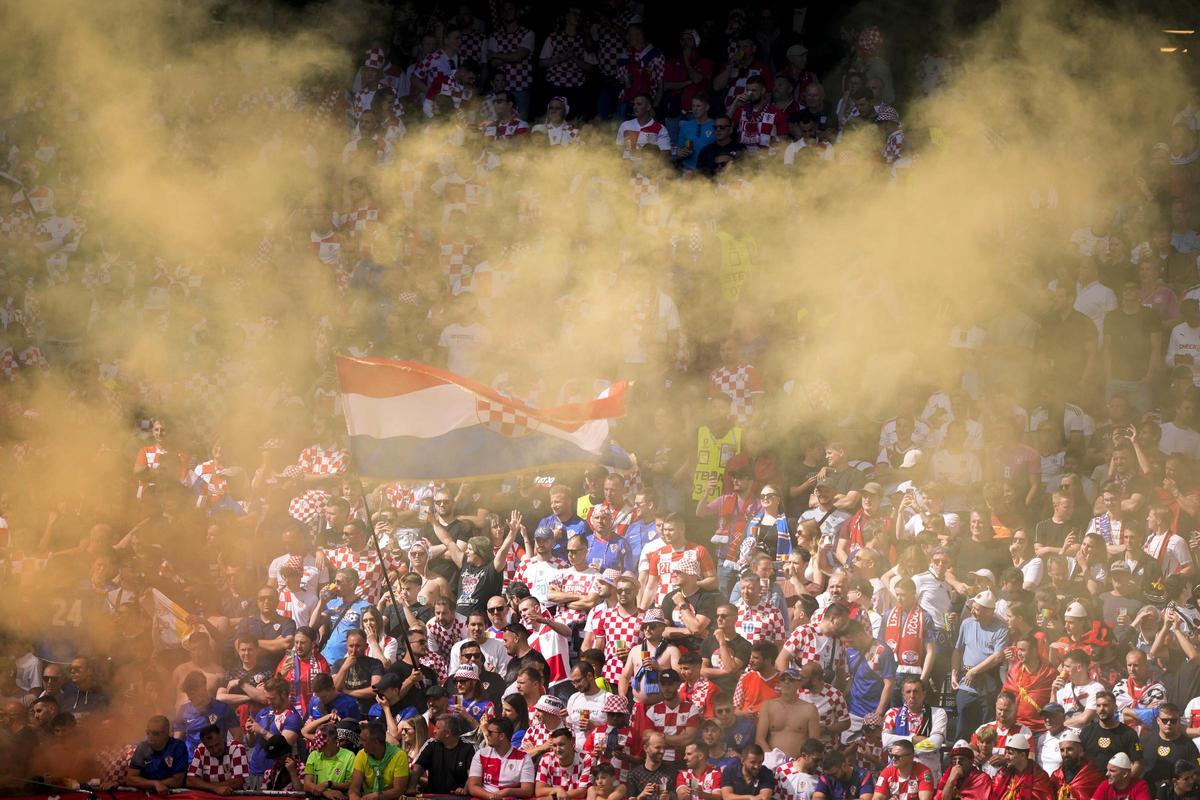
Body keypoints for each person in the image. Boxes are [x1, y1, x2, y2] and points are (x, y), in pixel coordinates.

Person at [951, 591, 1008, 738]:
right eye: (973, 608)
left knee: (986, 730)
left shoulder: (1001, 628)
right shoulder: (967, 623)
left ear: (989, 611)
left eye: (977, 609)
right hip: (966, 683)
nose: (972, 612)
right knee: (963, 726)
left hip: (988, 684)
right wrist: (954, 673)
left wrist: (974, 671)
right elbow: (958, 650)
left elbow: (997, 656)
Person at [755, 667, 821, 760]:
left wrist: (801, 762)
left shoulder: (810, 709)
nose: (786, 682)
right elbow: (760, 739)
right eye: (783, 679)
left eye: (791, 680)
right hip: (771, 761)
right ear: (779, 683)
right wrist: (771, 758)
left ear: (799, 683)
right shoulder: (768, 706)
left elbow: (814, 743)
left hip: (798, 763)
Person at [467, 715, 535, 799]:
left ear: (502, 736)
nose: (486, 734)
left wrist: (507, 791)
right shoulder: (480, 754)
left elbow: (528, 791)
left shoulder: (524, 758)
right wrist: (492, 797)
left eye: (490, 732)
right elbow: (473, 787)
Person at [1080, 690, 1143, 772]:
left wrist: (1126, 779)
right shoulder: (1086, 732)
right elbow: (1079, 758)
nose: (1101, 709)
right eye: (1098, 706)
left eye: (1105, 705)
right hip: (1090, 779)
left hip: (1117, 780)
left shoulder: (1129, 734)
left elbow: (1137, 764)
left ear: (1115, 708)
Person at [413, 712, 475, 794]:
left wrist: (465, 790)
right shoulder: (431, 744)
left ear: (447, 733)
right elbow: (418, 768)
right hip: (433, 796)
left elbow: (472, 775)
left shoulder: (468, 748)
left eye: (438, 728)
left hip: (457, 797)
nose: (434, 731)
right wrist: (411, 787)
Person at [1139, 704, 1200, 786]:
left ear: (1179, 721)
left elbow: (1196, 773)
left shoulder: (1189, 745)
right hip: (1147, 790)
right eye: (1165, 720)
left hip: (1175, 792)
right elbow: (1135, 765)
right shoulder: (1144, 740)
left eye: (1173, 720)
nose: (1168, 723)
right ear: (1158, 720)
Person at [348, 720, 409, 800]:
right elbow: (354, 788)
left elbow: (399, 790)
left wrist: (378, 796)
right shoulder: (361, 754)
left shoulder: (399, 756)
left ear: (376, 742)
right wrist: (354, 797)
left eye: (363, 740)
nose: (360, 743)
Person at [126, 715, 189, 792]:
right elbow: (130, 779)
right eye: (148, 732)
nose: (150, 736)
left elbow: (177, 781)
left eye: (155, 733)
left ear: (166, 733)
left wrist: (154, 784)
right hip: (146, 793)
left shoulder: (178, 747)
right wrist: (155, 784)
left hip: (170, 793)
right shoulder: (142, 747)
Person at [186, 722, 250, 795]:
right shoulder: (201, 750)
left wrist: (204, 785)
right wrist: (215, 788)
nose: (215, 750)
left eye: (217, 744)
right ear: (204, 744)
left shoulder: (237, 748)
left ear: (222, 737)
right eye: (210, 747)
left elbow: (237, 782)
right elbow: (190, 781)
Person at [988, 733, 1054, 800]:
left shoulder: (1039, 777)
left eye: (1010, 753)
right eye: (1006, 753)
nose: (1006, 757)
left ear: (1022, 755)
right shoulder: (1004, 772)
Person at [535, 727, 593, 798]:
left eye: (561, 744)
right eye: (554, 745)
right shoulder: (546, 758)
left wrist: (555, 797)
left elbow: (582, 792)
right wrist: (557, 790)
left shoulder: (586, 758)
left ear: (571, 743)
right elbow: (539, 791)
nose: (557, 749)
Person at [302, 725, 356, 800]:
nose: (318, 744)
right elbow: (307, 785)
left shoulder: (349, 756)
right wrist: (324, 792)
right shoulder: (313, 755)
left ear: (334, 740)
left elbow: (351, 784)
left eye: (323, 740)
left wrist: (329, 784)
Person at [1048, 729, 1105, 800]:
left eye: (1070, 749)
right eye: (1062, 750)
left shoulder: (1093, 776)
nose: (1065, 754)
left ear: (1081, 751)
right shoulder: (1056, 776)